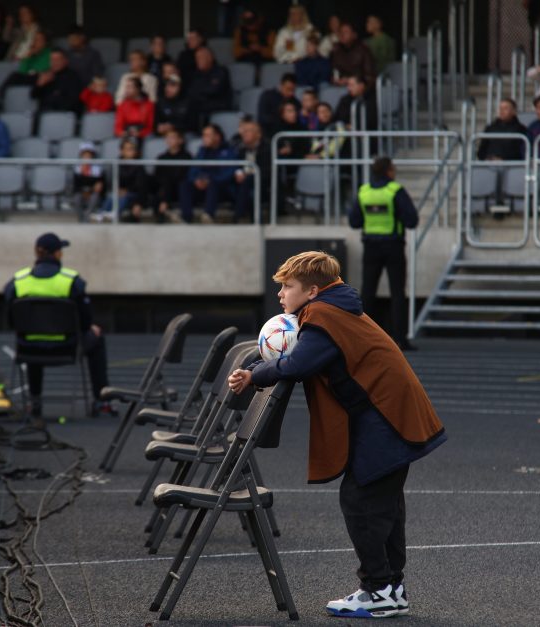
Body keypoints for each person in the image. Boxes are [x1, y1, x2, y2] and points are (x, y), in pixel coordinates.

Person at [227, 250, 445, 618]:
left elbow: (299, 363)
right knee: (383, 505)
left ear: (312, 291)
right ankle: (390, 588)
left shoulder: (324, 315)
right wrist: (259, 365)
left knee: (362, 502)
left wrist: (255, 374)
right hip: (388, 415)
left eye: (287, 286)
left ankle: (378, 590)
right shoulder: (333, 307)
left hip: (386, 418)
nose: (281, 294)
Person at [3, 232, 113, 418]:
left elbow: (10, 321)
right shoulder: (72, 281)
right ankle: (101, 400)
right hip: (67, 347)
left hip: (28, 349)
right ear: (57, 254)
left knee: (31, 334)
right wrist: (89, 329)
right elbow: (86, 320)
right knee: (97, 338)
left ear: (36, 253)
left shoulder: (17, 282)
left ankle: (35, 401)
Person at [346, 156, 420, 350]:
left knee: (368, 292)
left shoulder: (364, 191)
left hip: (370, 246)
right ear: (389, 171)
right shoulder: (395, 191)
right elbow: (412, 220)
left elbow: (354, 222)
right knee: (397, 293)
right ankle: (400, 339)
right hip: (393, 245)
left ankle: (363, 337)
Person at [179, 124, 236, 223]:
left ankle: (208, 215)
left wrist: (209, 179)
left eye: (207, 135)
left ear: (217, 137)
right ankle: (186, 217)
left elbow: (229, 172)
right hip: (203, 187)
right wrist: (197, 179)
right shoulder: (202, 151)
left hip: (221, 189)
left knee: (214, 184)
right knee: (185, 184)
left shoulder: (228, 151)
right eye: (203, 135)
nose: (204, 138)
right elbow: (193, 169)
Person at [100, 138, 149, 222]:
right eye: (127, 149)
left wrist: (128, 192)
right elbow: (112, 181)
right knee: (111, 196)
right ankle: (101, 215)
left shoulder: (139, 166)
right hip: (119, 192)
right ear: (122, 151)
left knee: (123, 197)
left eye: (132, 149)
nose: (130, 151)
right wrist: (118, 189)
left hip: (133, 194)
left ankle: (114, 214)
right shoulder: (116, 164)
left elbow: (141, 186)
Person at [230, 120, 268, 223]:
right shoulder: (240, 149)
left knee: (252, 193)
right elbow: (235, 165)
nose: (244, 134)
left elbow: (266, 173)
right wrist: (238, 173)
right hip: (242, 184)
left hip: (263, 185)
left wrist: (247, 176)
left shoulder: (266, 149)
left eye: (248, 131)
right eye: (244, 131)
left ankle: (238, 217)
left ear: (258, 134)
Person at [31, 48, 83, 115]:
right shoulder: (46, 74)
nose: (54, 62)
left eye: (58, 59)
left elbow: (74, 101)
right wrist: (40, 84)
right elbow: (33, 95)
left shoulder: (73, 77)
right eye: (52, 59)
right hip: (44, 114)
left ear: (65, 61)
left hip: (64, 115)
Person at [185, 47, 233, 120]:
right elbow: (191, 92)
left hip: (218, 106)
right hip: (200, 107)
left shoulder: (221, 71)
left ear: (210, 58)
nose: (198, 61)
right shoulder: (196, 74)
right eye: (197, 58)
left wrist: (199, 94)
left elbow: (212, 90)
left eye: (201, 58)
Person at [258, 73, 300, 137]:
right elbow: (262, 118)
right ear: (281, 85)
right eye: (288, 89)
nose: (290, 93)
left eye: (293, 90)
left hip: (289, 136)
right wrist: (282, 118)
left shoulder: (295, 102)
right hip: (269, 135)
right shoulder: (267, 96)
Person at [73, 142, 105, 217]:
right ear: (81, 155)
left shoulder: (98, 169)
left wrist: (92, 190)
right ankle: (81, 218)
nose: (87, 157)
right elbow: (75, 186)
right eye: (85, 154)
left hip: (93, 193)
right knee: (77, 198)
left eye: (89, 154)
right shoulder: (77, 169)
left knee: (95, 197)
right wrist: (83, 191)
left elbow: (101, 185)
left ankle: (87, 216)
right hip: (81, 192)